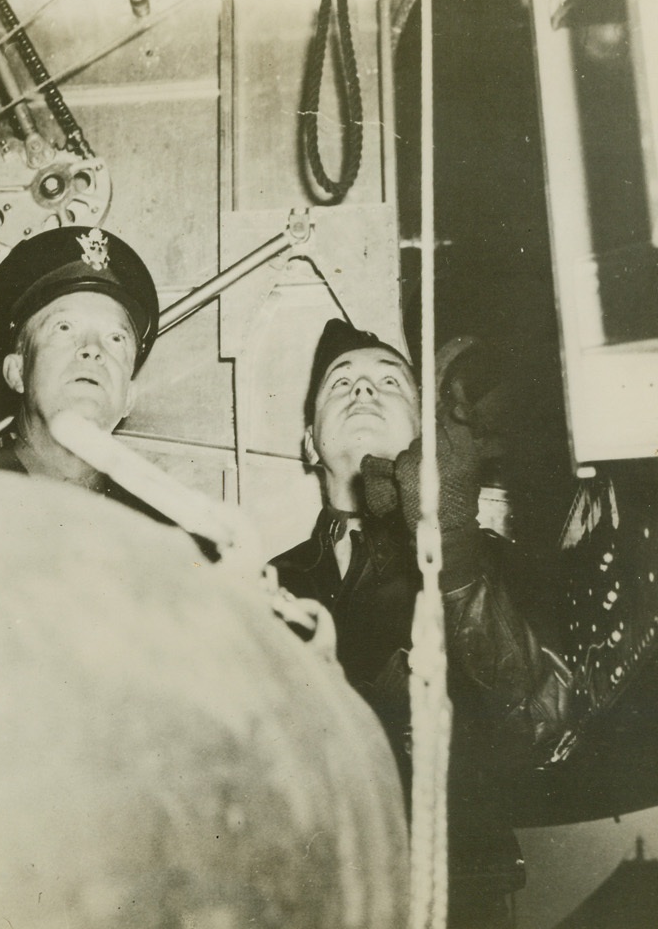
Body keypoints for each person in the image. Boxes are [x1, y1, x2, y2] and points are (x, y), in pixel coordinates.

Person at [270, 318, 572, 929]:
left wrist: (451, 544)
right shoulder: (267, 585)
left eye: (389, 382)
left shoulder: (487, 559)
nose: (363, 391)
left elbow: (546, 723)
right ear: (308, 443)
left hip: (456, 895)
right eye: (341, 382)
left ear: (422, 434)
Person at [0, 225, 160, 510]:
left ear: (129, 396)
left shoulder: (161, 530)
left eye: (115, 338)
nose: (93, 349)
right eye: (65, 327)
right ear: (17, 372)